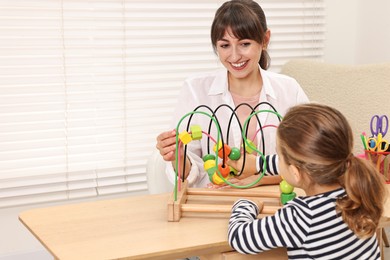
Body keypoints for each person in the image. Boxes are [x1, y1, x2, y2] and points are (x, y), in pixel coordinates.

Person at [156, 0, 309, 188]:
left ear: (265, 40)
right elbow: (189, 176)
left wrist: (258, 180)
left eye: (244, 44)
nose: (235, 56)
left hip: (273, 206)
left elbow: (310, 163)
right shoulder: (195, 91)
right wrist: (178, 158)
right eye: (225, 45)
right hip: (215, 204)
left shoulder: (289, 90)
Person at [228, 103, 387, 259]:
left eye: (280, 155)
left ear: (295, 172)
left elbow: (239, 238)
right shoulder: (357, 188)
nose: (279, 160)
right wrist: (257, 163)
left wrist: (245, 205)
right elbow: (299, 163)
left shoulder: (300, 217)